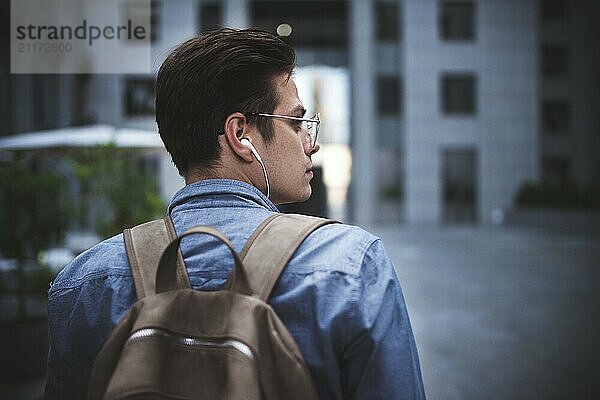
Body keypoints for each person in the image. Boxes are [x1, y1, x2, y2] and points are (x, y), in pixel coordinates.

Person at [45, 28, 425, 399]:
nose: (312, 144)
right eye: (296, 123)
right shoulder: (351, 264)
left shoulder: (82, 284)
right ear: (240, 134)